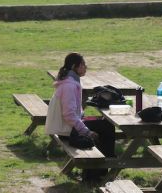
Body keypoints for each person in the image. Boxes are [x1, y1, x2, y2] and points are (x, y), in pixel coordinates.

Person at [44, 52, 115, 183]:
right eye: (82, 64)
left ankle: (97, 171)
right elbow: (69, 115)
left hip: (67, 127)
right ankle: (99, 171)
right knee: (107, 127)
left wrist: (83, 118)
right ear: (74, 67)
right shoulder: (69, 86)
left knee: (104, 124)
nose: (85, 67)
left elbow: (75, 111)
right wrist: (86, 131)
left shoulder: (69, 81)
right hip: (67, 131)